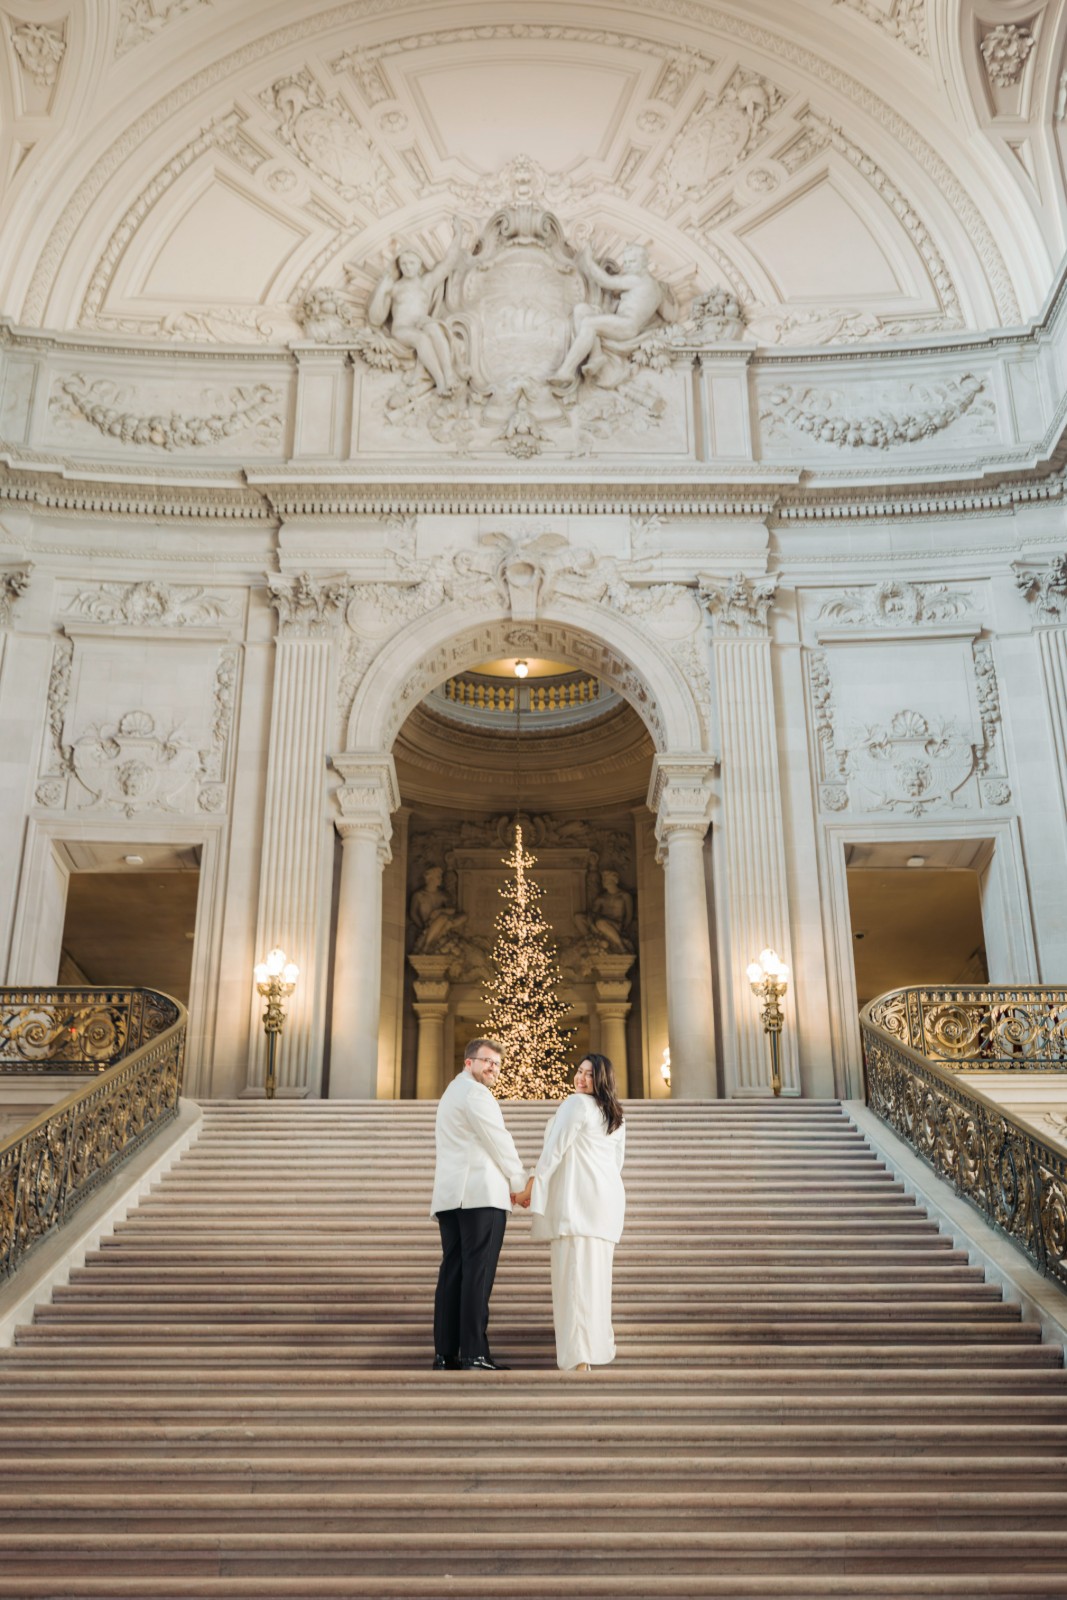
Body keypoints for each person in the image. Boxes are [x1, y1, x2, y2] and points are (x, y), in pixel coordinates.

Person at [515, 1054, 625, 1372]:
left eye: (589, 1075)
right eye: (579, 1072)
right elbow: (616, 1163)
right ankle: (594, 1351)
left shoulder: (575, 1105)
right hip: (605, 1205)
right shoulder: (616, 1114)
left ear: (601, 1079)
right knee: (595, 1284)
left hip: (578, 1206)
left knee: (574, 1282)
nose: (580, 1079)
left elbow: (553, 1151)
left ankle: (578, 1359)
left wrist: (530, 1188)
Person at [430, 1037, 528, 1372]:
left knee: (453, 1274)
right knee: (477, 1275)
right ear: (468, 1062)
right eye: (487, 1061)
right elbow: (499, 1140)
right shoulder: (475, 1093)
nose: (493, 1069)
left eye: (497, 1064)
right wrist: (521, 1183)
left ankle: (446, 1354)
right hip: (480, 1196)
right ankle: (474, 1353)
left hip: (451, 1197)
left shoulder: (450, 1094)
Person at [367, 220, 465, 396]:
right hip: (402, 329)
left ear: (419, 263)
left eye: (412, 263)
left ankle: (449, 375)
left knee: (434, 328)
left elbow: (447, 264)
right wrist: (382, 288)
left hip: (421, 323)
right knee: (421, 339)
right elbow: (376, 319)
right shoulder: (395, 287)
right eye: (404, 264)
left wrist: (458, 235)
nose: (408, 267)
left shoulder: (426, 283)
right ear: (399, 265)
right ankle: (440, 382)